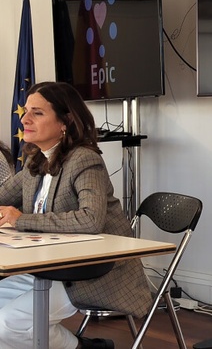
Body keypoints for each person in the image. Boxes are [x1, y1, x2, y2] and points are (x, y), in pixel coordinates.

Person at [0, 81, 152, 349]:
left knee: (9, 323)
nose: (25, 119)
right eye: (26, 111)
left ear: (65, 121)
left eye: (38, 112)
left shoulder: (84, 159)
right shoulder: (38, 160)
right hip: (49, 267)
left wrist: (20, 219)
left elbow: (89, 219)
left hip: (94, 272)